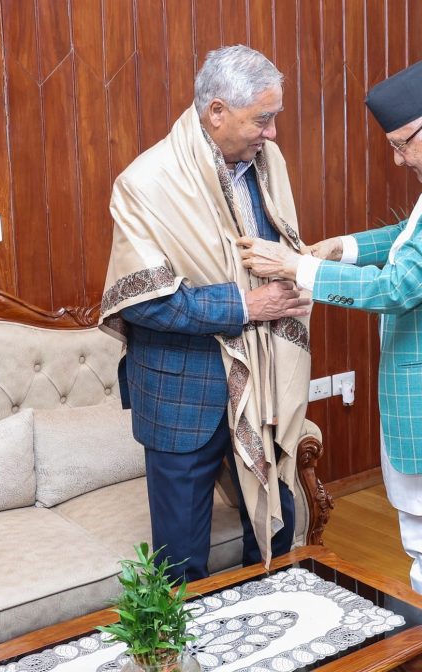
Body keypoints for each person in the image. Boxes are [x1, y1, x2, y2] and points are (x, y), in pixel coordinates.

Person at [237, 55, 422, 672]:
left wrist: (297, 268)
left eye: (401, 145)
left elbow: (399, 284)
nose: (398, 159)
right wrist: (341, 248)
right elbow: (413, 236)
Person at [98, 45, 312, 584]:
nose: (272, 133)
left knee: (275, 534)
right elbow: (143, 300)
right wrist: (246, 305)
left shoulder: (268, 165)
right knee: (182, 564)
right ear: (217, 111)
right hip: (182, 399)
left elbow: (280, 249)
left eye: (274, 118)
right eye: (261, 119)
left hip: (265, 386)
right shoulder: (146, 184)